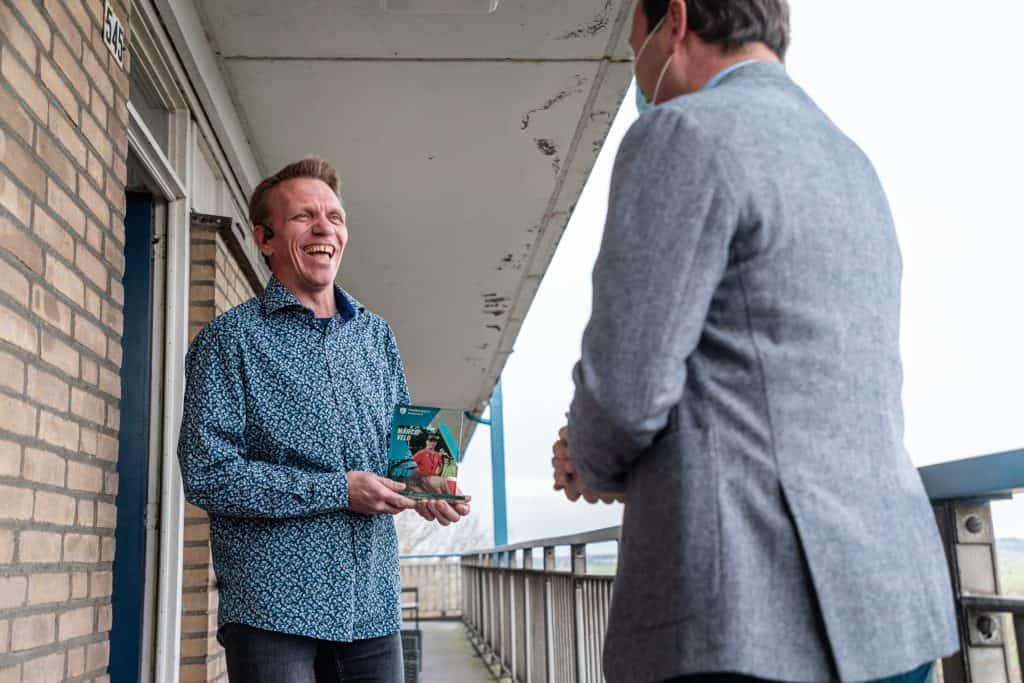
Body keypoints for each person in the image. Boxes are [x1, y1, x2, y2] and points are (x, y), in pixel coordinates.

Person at [551, 2, 958, 682]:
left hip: (752, 618)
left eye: (633, 46)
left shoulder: (681, 133)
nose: (637, 70)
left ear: (673, 22)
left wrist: (585, 459)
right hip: (893, 612)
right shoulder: (851, 161)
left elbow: (622, 395)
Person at [177, 158, 470, 683]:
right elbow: (208, 474)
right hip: (273, 611)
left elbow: (405, 452)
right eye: (304, 217)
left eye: (334, 217)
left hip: (372, 606)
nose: (324, 228)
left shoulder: (378, 336)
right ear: (264, 239)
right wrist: (337, 490)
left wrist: (432, 486)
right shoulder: (227, 341)